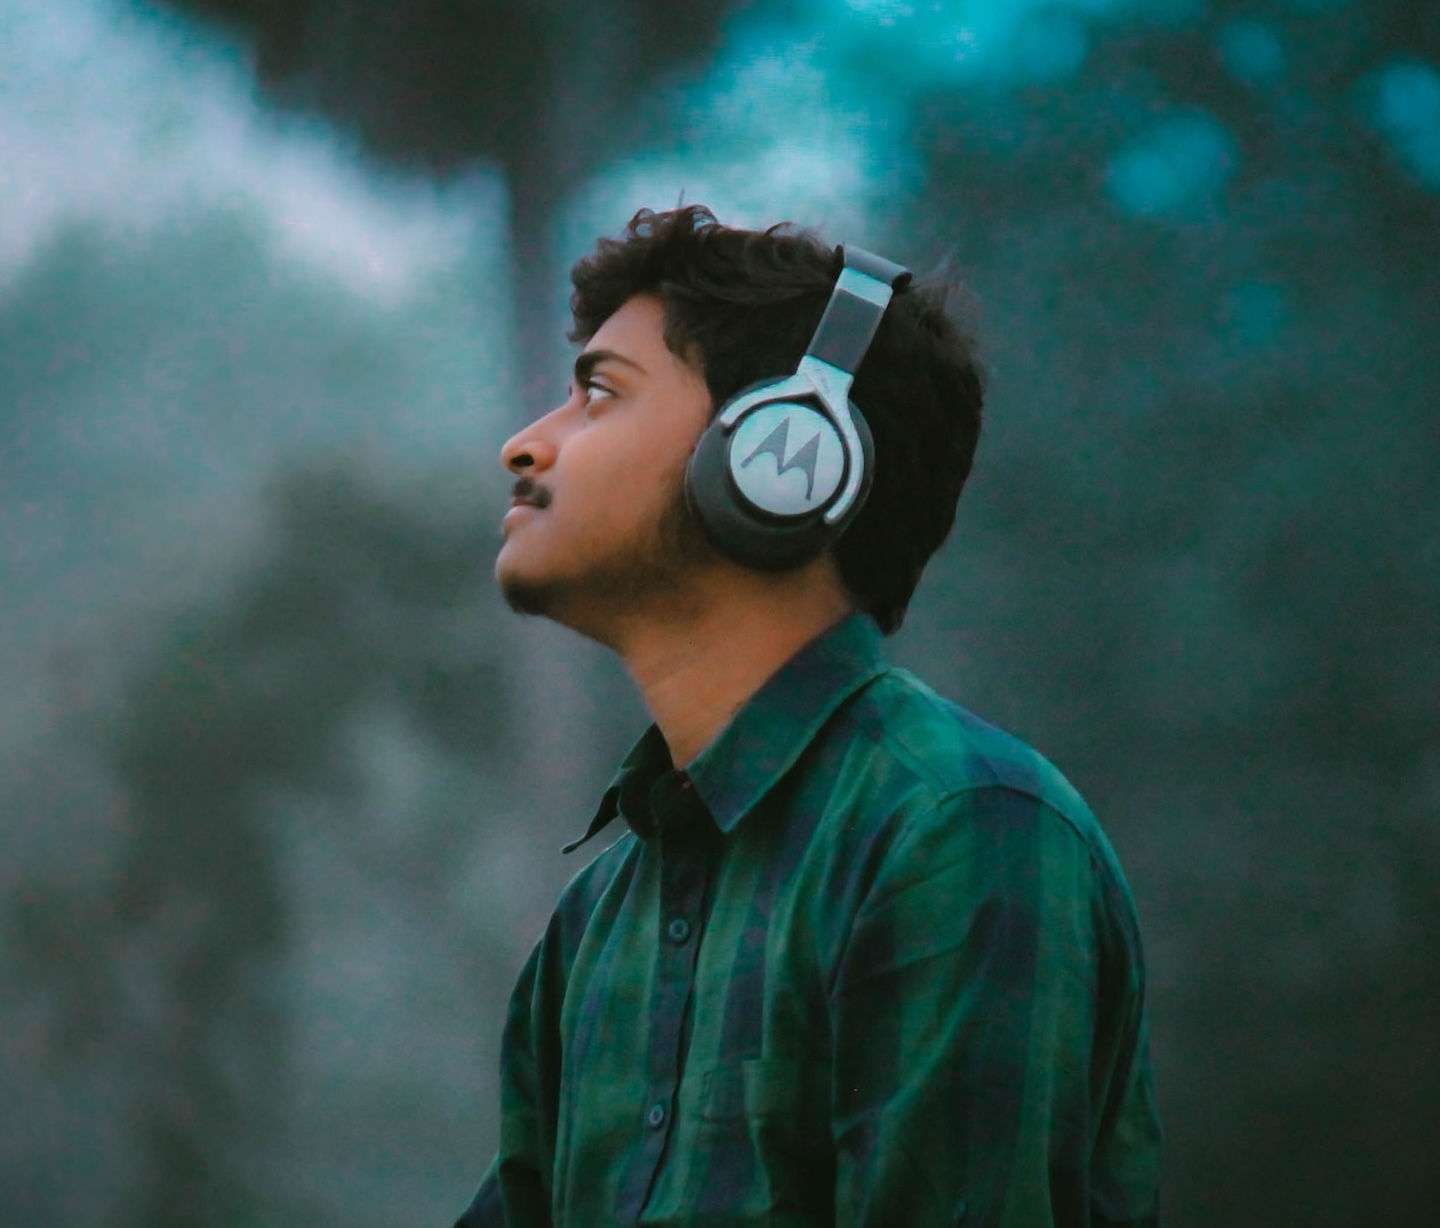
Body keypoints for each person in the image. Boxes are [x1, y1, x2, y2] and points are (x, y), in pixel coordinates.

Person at [455, 205, 1162, 1227]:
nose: (523, 447)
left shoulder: (959, 829)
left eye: (600, 395)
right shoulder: (592, 926)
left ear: (783, 454)